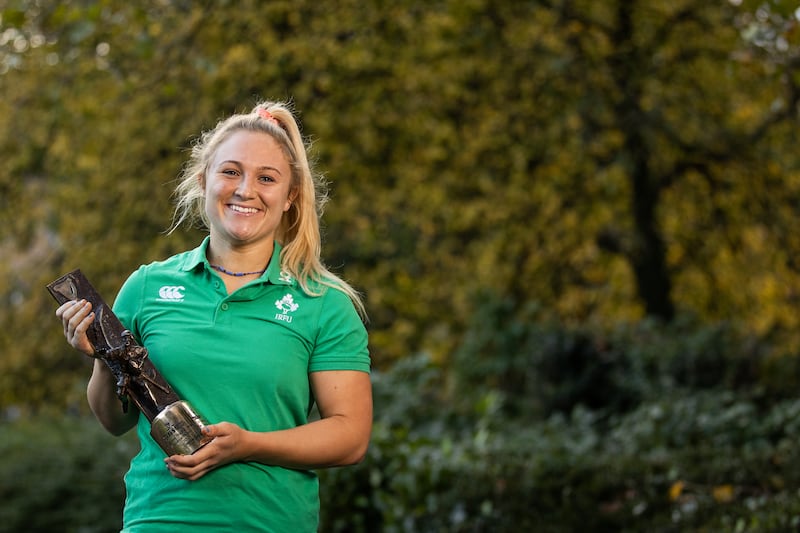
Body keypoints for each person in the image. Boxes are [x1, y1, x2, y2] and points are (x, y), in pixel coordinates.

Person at [55, 100, 372, 532]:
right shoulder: (147, 286)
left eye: (266, 178)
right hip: (159, 521)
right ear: (204, 179)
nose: (245, 190)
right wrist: (100, 356)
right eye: (230, 172)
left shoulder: (323, 302)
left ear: (289, 196)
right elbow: (114, 420)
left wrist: (247, 445)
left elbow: (350, 437)